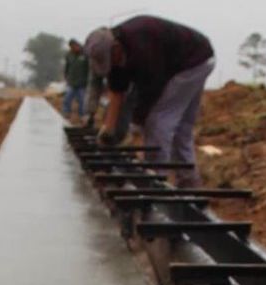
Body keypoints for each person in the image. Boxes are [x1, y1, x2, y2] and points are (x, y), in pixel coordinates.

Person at [84, 16, 215, 187]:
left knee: (158, 120)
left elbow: (152, 91)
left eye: (109, 61)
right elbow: (117, 93)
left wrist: (137, 123)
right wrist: (108, 131)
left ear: (115, 48)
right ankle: (189, 180)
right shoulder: (116, 54)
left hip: (191, 62)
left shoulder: (142, 44)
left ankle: (154, 179)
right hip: (195, 60)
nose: (111, 65)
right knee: (181, 126)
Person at [63, 39, 89, 121]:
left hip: (82, 83)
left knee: (82, 100)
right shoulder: (69, 55)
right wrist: (66, 77)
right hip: (71, 82)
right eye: (72, 47)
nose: (74, 48)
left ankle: (82, 116)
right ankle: (66, 114)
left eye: (75, 46)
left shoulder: (85, 54)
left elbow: (89, 68)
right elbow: (67, 68)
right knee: (67, 98)